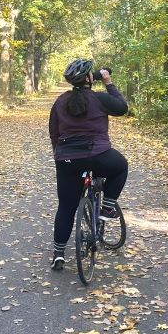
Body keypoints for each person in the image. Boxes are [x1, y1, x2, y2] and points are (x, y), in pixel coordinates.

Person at [48, 59, 129, 270]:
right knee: (120, 166)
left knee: (66, 207)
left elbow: (54, 133)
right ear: (89, 79)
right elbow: (122, 108)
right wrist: (109, 82)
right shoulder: (99, 98)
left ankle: (58, 254)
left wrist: (61, 157)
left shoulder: (59, 102)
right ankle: (107, 208)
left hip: (66, 159)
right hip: (98, 154)